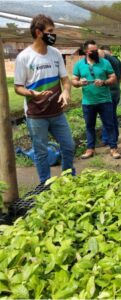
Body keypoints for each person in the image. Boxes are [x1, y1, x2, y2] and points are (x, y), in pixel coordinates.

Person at [14, 14, 75, 184]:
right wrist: (32, 94)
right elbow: (18, 87)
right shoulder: (24, 57)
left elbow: (65, 79)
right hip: (36, 114)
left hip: (57, 112)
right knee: (40, 152)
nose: (53, 34)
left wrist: (66, 92)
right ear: (38, 32)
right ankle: (45, 184)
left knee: (68, 146)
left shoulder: (55, 53)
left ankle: (69, 178)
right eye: (50, 31)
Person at [72, 40, 121, 159]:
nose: (95, 52)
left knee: (109, 125)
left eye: (96, 50)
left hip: (105, 100)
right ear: (85, 51)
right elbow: (73, 81)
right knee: (89, 126)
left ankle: (113, 148)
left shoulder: (105, 62)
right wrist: (79, 83)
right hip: (88, 102)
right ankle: (90, 149)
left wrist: (104, 82)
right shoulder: (79, 65)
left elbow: (113, 78)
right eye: (92, 51)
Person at [98, 45, 121, 146]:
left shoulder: (106, 61)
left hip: (109, 92)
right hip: (115, 91)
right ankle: (114, 136)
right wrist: (117, 84)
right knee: (112, 115)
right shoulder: (117, 60)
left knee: (107, 116)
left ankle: (107, 139)